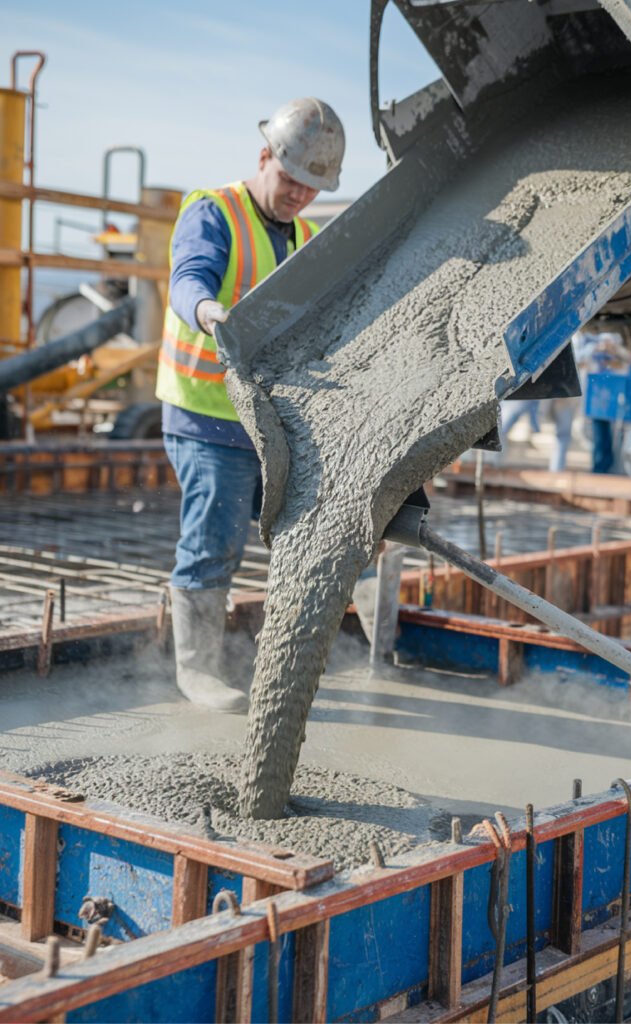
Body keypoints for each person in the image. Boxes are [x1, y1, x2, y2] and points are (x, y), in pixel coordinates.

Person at [155, 98, 345, 712]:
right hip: (207, 415)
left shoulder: (309, 238)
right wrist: (209, 311)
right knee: (216, 534)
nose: (299, 196)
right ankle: (197, 671)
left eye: (312, 188)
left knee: (310, 532)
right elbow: (189, 278)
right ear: (264, 157)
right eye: (290, 179)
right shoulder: (215, 212)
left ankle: (289, 657)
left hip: (273, 421)